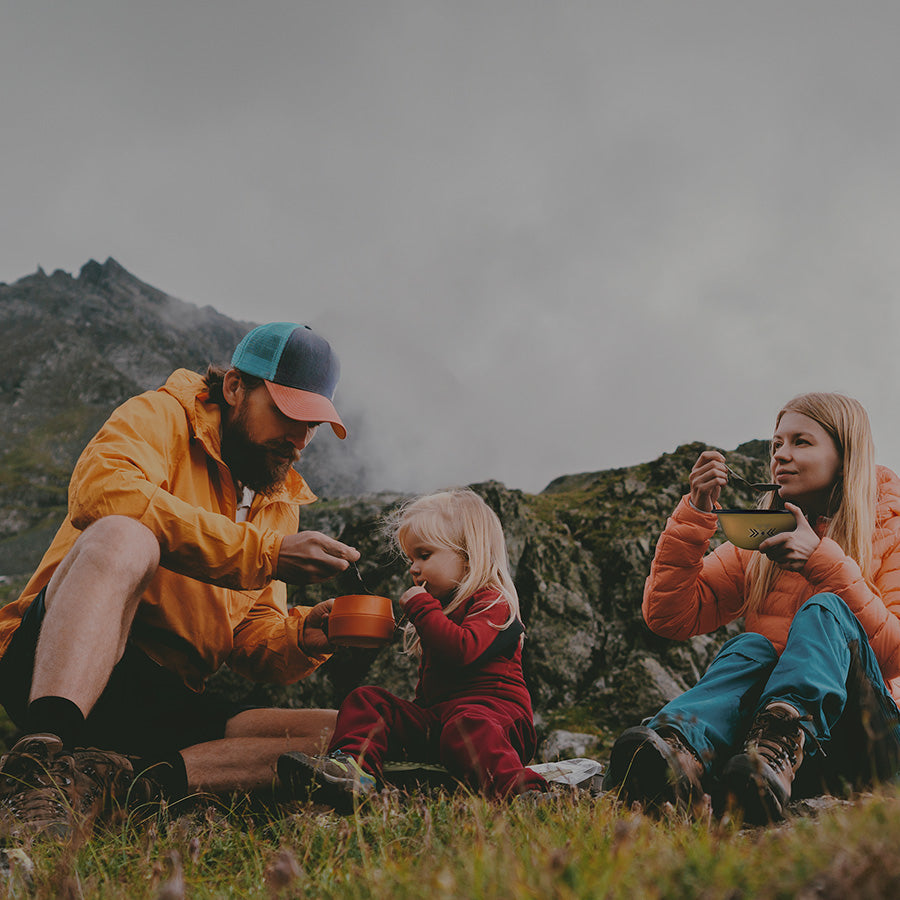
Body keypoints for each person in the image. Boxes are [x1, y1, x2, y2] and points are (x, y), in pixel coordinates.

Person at [0, 322, 361, 838]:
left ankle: (126, 784)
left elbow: (252, 636)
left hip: (166, 696)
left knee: (352, 730)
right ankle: (40, 760)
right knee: (125, 536)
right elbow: (101, 492)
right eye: (287, 413)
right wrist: (264, 553)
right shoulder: (161, 416)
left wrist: (304, 636)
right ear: (236, 387)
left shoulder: (277, 504)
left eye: (313, 425)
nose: (299, 440)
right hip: (52, 660)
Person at [603, 392, 900, 824]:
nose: (781, 455)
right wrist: (697, 513)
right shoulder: (764, 535)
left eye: (801, 441)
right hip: (778, 765)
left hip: (866, 742)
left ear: (845, 453)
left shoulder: (888, 528)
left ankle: (777, 744)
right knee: (752, 648)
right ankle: (678, 752)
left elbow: (895, 653)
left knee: (826, 610)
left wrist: (823, 562)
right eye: (775, 444)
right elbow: (668, 616)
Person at [277, 489, 549, 809]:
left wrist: (421, 608)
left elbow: (464, 650)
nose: (414, 568)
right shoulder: (441, 610)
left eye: (424, 555)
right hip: (443, 723)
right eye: (411, 559)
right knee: (368, 699)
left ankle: (522, 792)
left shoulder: (493, 602)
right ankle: (352, 770)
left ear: (467, 555)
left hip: (496, 722)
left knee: (468, 723)